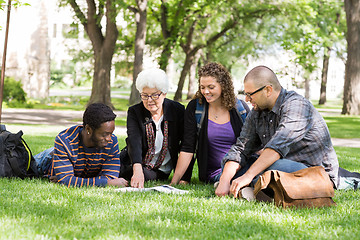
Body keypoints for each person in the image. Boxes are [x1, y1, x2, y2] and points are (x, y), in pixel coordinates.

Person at [215, 65, 339, 198]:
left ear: (268, 90)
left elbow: (276, 148)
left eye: (250, 94)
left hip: (315, 174)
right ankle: (249, 187)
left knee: (273, 166)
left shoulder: (297, 106)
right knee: (234, 165)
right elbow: (241, 149)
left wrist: (247, 176)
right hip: (282, 166)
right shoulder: (257, 112)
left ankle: (253, 188)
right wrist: (224, 180)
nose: (246, 99)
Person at [171, 62, 250, 184]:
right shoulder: (196, 108)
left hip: (240, 166)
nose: (206, 91)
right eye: (202, 87)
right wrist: (174, 182)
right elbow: (188, 148)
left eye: (211, 87)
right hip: (216, 173)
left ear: (223, 85)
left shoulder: (240, 108)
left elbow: (253, 143)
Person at [120, 68, 190, 188]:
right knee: (111, 166)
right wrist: (137, 170)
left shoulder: (177, 110)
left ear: (164, 94)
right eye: (145, 96)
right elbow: (134, 140)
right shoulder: (135, 111)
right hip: (135, 163)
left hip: (159, 170)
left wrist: (184, 177)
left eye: (154, 95)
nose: (149, 100)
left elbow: (186, 145)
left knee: (144, 175)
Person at [47, 103, 128, 187]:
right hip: (48, 159)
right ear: (88, 129)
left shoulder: (112, 142)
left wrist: (75, 180)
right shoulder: (65, 141)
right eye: (104, 134)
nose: (109, 138)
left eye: (111, 133)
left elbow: (111, 177)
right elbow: (66, 181)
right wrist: (106, 183)